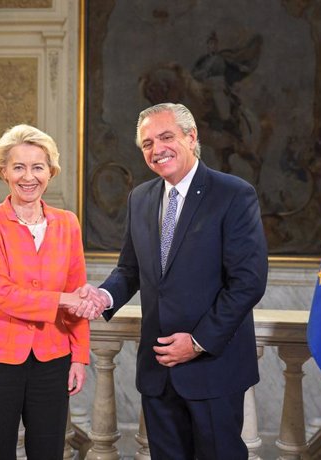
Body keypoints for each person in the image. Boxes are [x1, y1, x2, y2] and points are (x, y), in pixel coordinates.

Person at [78, 103, 268, 459]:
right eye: (147, 143)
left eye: (166, 137)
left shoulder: (233, 194)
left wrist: (197, 342)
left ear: (191, 137)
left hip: (213, 368)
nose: (157, 149)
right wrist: (103, 296)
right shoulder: (141, 198)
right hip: (159, 371)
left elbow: (248, 282)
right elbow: (129, 270)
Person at [0, 124, 97, 459]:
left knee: (49, 453)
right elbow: (2, 294)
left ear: (50, 172)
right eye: (18, 167)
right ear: (3, 171)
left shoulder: (68, 223)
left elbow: (77, 294)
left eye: (38, 167)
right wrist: (63, 299)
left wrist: (79, 355)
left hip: (53, 360)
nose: (29, 176)